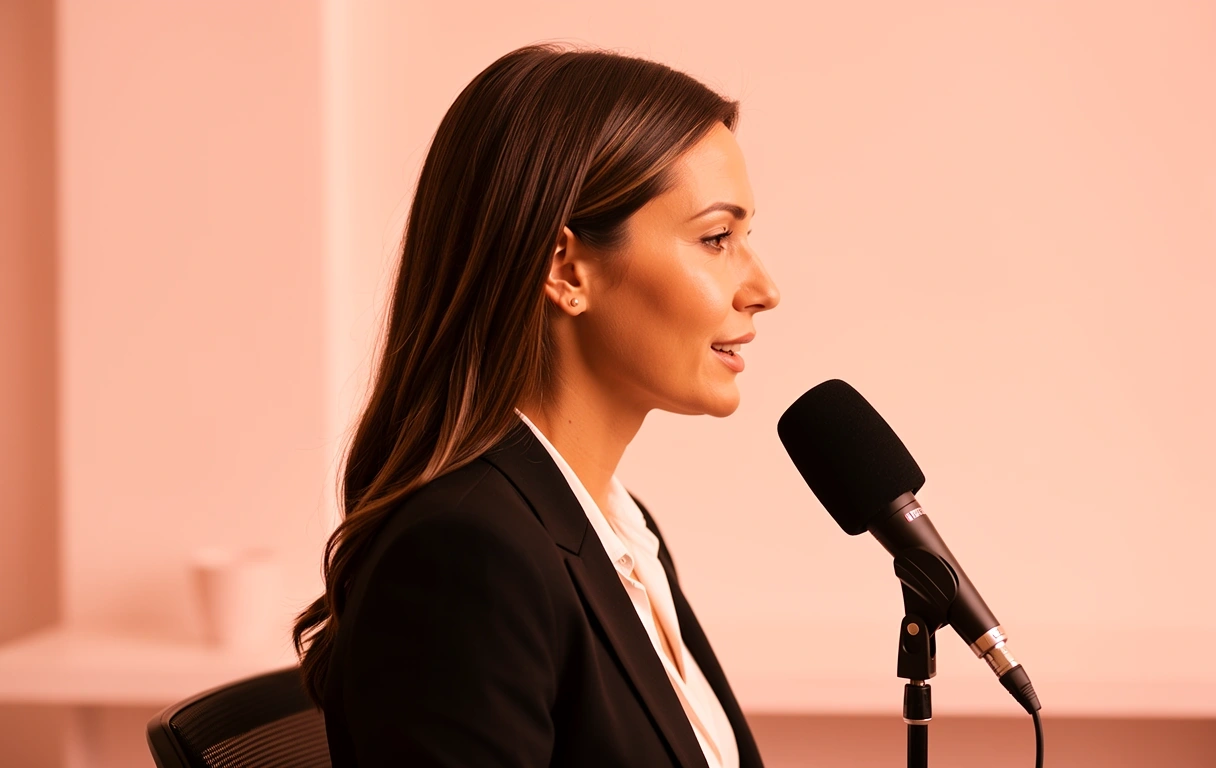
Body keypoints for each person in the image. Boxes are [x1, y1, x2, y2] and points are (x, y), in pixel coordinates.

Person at [292, 41, 780, 768]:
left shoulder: (621, 534)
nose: (762, 287)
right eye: (715, 239)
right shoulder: (467, 556)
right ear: (566, 268)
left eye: (745, 238)